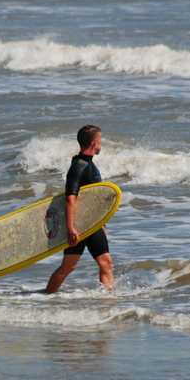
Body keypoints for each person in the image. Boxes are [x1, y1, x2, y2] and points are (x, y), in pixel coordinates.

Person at [45, 125, 114, 293]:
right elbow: (70, 197)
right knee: (102, 263)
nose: (101, 144)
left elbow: (91, 199)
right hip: (81, 225)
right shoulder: (80, 166)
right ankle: (109, 302)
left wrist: (101, 222)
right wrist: (70, 228)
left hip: (88, 223)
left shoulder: (86, 164)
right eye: (99, 141)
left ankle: (47, 295)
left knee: (71, 266)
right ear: (93, 143)